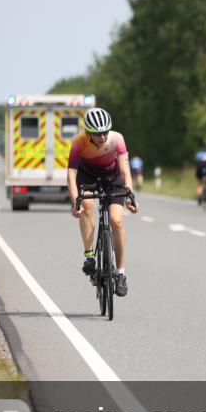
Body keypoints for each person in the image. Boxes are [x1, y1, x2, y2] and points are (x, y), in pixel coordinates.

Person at [67, 107, 139, 297]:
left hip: (112, 178)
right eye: (98, 133)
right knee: (88, 205)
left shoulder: (117, 139)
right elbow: (71, 175)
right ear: (88, 133)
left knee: (116, 220)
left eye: (105, 131)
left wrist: (130, 195)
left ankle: (121, 274)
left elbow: (125, 171)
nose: (103, 136)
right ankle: (89, 255)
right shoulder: (78, 143)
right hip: (87, 177)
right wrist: (76, 202)